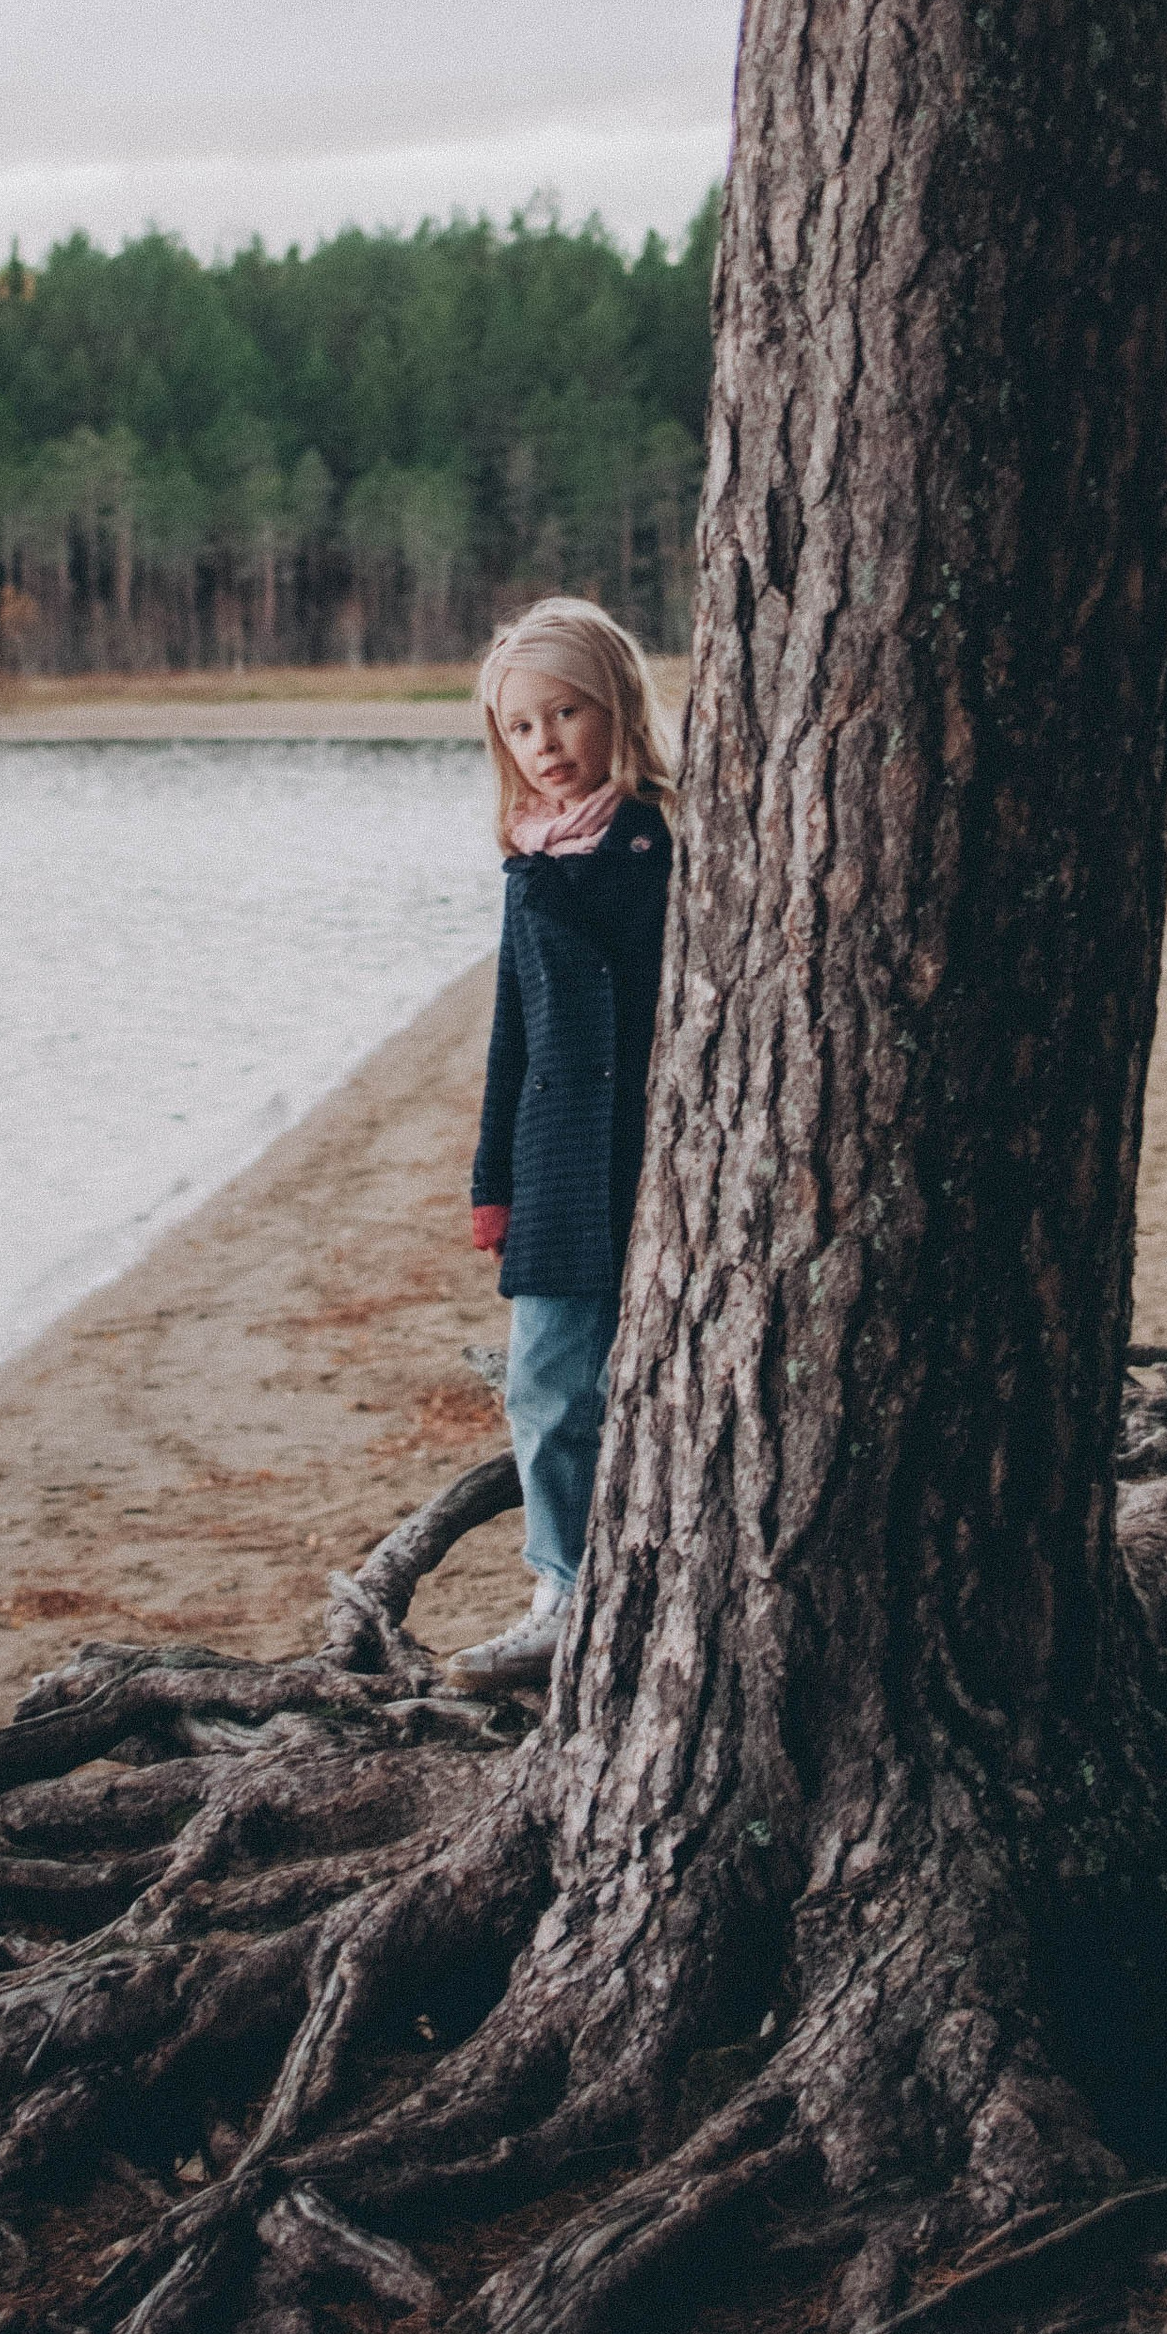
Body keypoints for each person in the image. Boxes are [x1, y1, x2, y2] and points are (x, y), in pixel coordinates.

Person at [454, 597, 678, 1690]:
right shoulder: (529, 865)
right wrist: (490, 1181)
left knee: (654, 1379)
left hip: (652, 1155)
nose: (546, 747)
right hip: (553, 1167)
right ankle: (561, 1582)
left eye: (565, 714)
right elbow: (510, 1036)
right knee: (543, 1382)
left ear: (617, 706)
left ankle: (652, 1568)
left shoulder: (662, 848)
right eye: (521, 729)